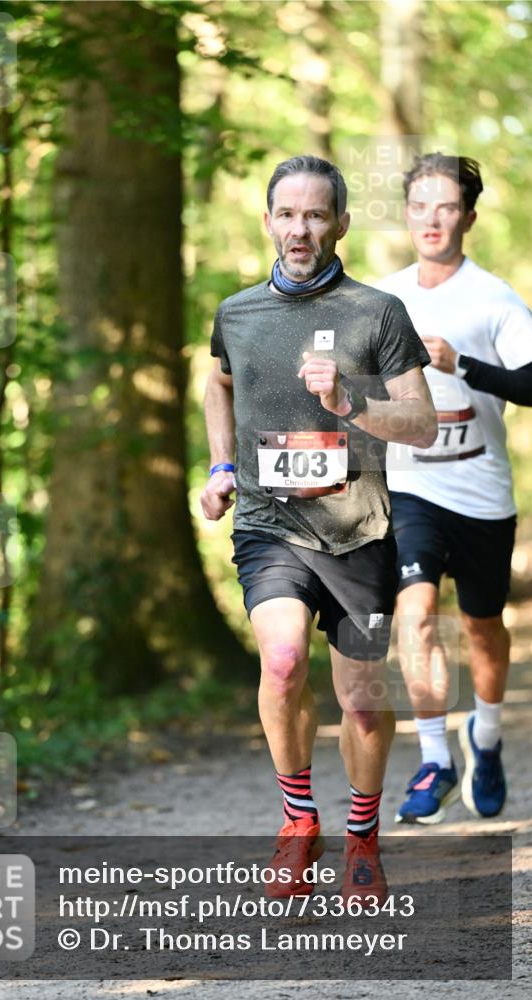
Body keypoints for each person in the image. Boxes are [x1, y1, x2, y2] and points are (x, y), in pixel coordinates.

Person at [200, 154, 436, 899]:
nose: (298, 229)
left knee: (361, 696)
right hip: (270, 529)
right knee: (279, 664)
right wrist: (219, 469)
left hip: (360, 533)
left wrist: (351, 406)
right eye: (286, 214)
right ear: (267, 220)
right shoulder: (237, 312)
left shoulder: (376, 313)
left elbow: (423, 424)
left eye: (313, 215)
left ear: (338, 222)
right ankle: (298, 822)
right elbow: (217, 381)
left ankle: (361, 836)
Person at [376, 153, 532, 825]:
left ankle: (486, 738)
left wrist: (460, 364)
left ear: (467, 216)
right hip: (408, 486)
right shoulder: (380, 300)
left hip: (480, 493)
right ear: (406, 214)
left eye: (445, 207)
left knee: (481, 626)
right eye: (419, 206)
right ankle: (435, 759)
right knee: (413, 615)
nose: (431, 219)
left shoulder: (493, 299)